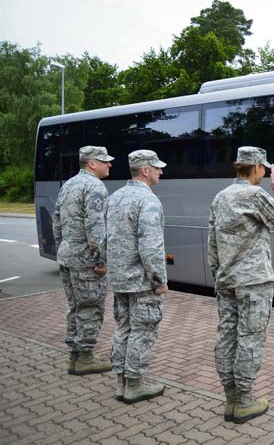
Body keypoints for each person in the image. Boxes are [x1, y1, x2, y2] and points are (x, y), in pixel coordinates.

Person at [208, 146, 274, 424]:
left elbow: (212, 242)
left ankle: (230, 399)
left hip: (226, 280)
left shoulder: (220, 197)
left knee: (227, 336)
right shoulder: (255, 195)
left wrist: (219, 274)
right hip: (254, 282)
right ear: (257, 167)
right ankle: (244, 400)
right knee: (250, 338)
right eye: (263, 168)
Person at [106, 149, 168, 404]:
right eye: (157, 168)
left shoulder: (115, 197)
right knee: (143, 331)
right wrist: (159, 280)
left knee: (123, 329)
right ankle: (134, 386)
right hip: (141, 281)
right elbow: (151, 246)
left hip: (120, 278)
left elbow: (104, 238)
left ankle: (121, 384)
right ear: (145, 170)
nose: (160, 172)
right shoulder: (149, 200)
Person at [52, 145, 114, 376]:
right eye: (105, 161)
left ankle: (75, 356)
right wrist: (101, 260)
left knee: (75, 307)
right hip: (86, 262)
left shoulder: (68, 185)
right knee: (90, 307)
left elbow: (56, 221)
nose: (109, 164)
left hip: (67, 257)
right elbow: (96, 226)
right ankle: (86, 358)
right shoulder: (95, 186)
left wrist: (63, 248)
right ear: (91, 163)